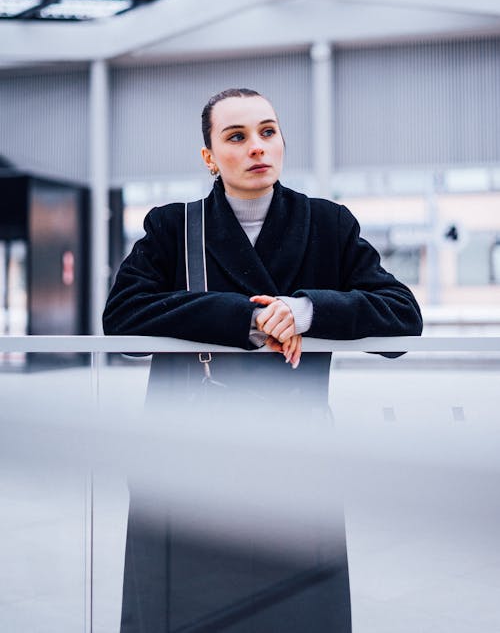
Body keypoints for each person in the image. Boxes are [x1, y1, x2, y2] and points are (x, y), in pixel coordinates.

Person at [103, 87, 423, 633]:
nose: (257, 147)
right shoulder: (174, 227)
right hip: (186, 465)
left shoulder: (328, 224)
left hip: (293, 464)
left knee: (294, 614)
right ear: (209, 157)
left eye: (268, 131)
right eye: (236, 136)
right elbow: (123, 317)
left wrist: (306, 310)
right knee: (184, 610)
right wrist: (244, 320)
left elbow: (401, 318)